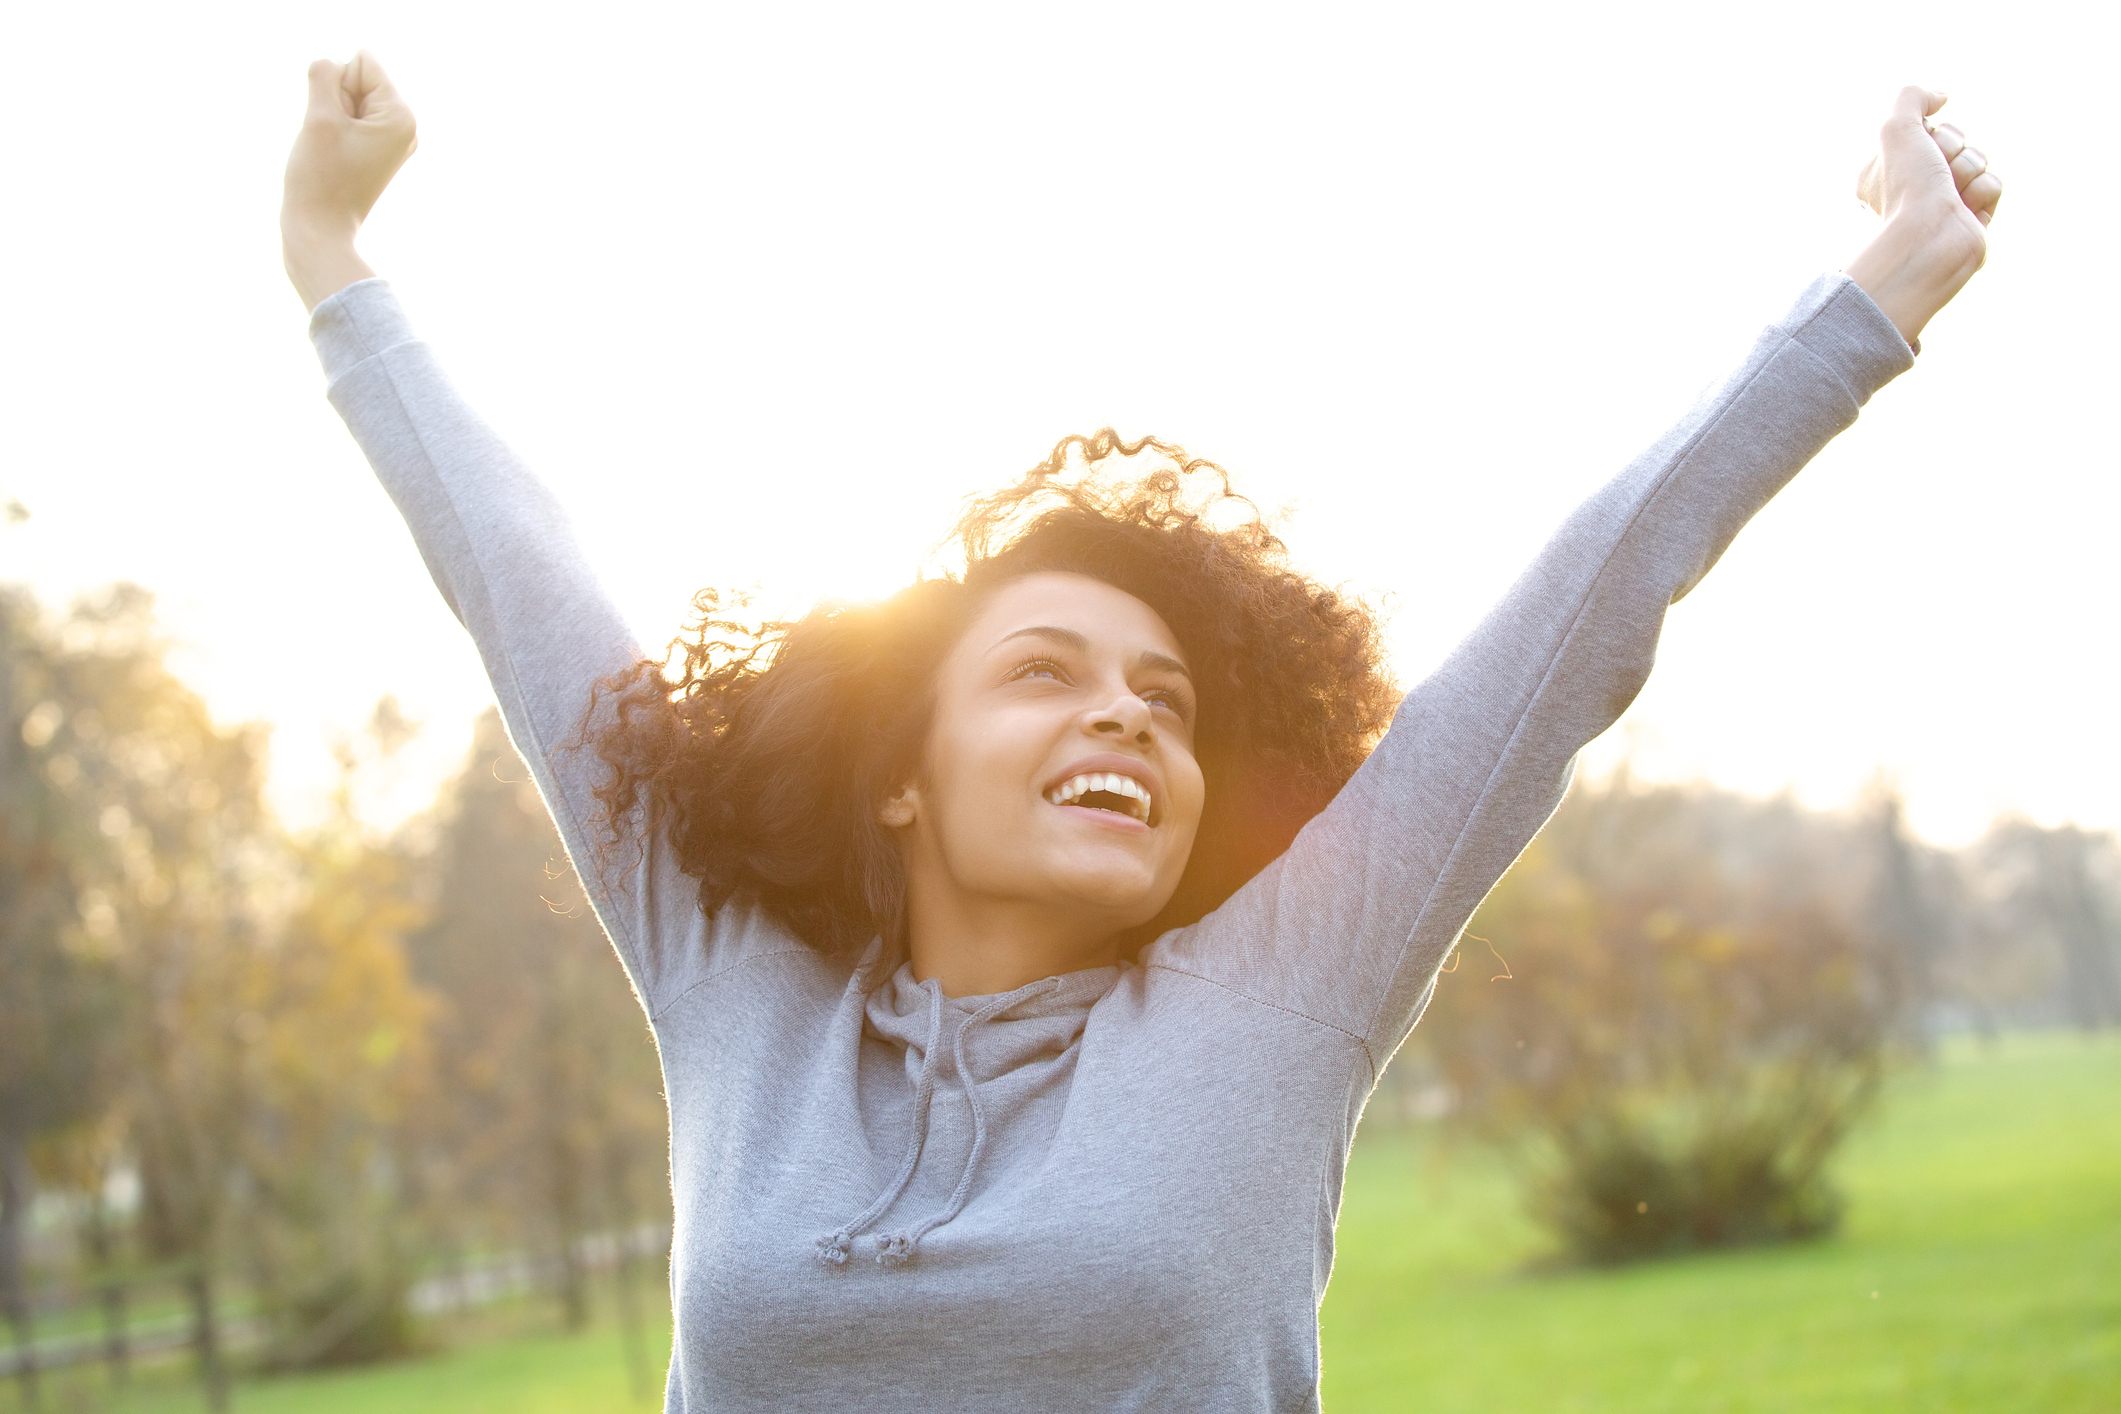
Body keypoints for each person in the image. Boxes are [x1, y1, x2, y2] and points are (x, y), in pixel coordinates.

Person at [280, 52, 2000, 1412]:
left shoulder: (1276, 1000)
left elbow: (1581, 608)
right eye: (1043, 670)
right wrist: (335, 261)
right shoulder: (742, 994)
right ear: (899, 769)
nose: (1120, 707)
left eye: (1164, 701)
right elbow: (521, 592)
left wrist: (1882, 286)